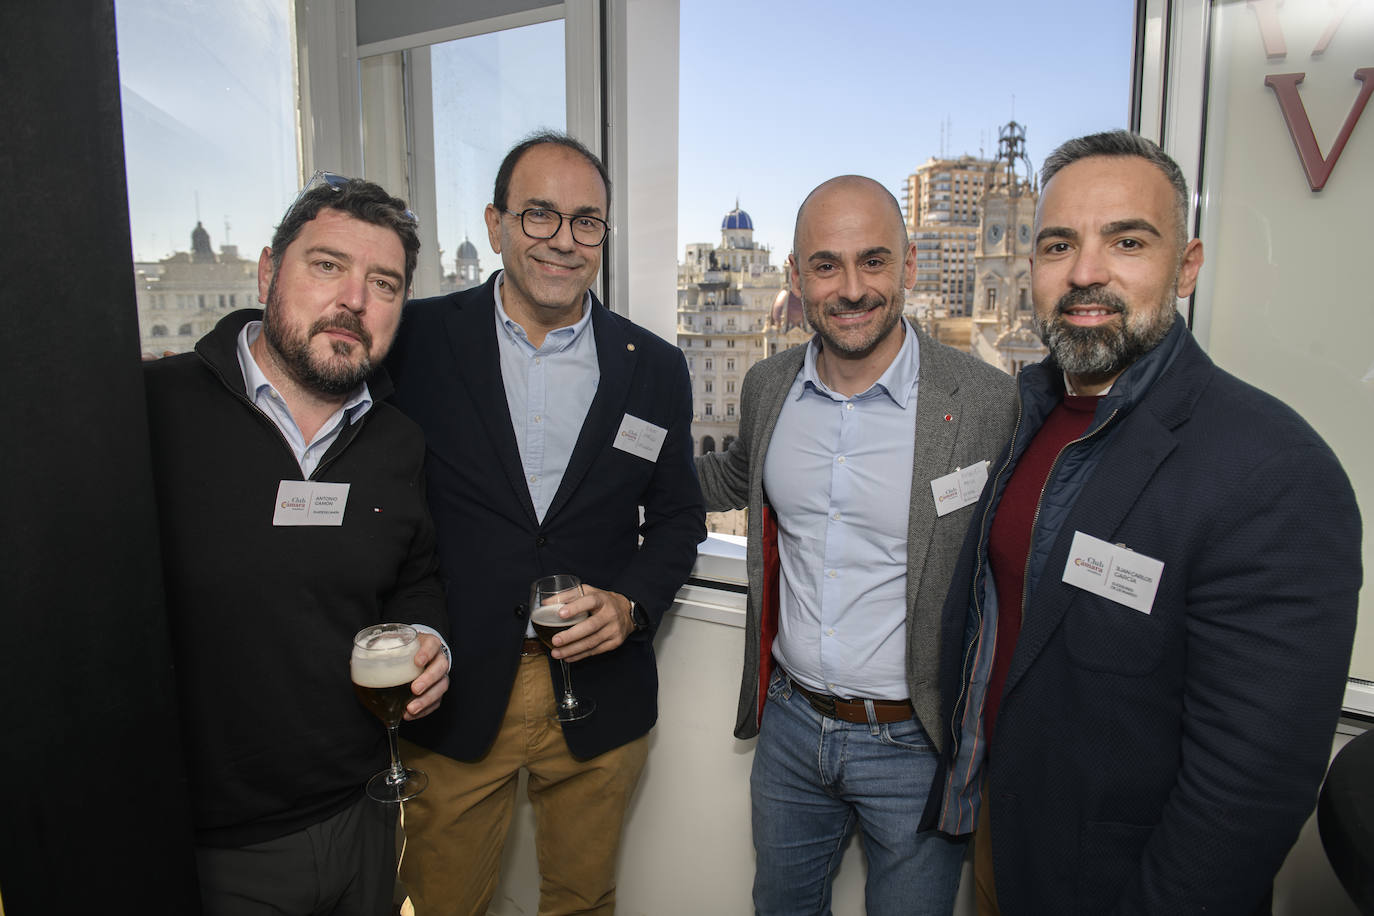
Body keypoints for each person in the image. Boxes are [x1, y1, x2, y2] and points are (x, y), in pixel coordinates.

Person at [927, 130, 1363, 915]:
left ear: (1187, 266)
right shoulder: (1025, 415)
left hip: (1124, 883)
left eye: (1127, 241)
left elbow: (1247, 792)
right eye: (1059, 245)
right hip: (1007, 838)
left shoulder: (1276, 472)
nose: (1086, 272)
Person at [385, 131, 706, 915]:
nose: (564, 241)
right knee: (439, 903)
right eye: (539, 215)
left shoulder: (654, 366)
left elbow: (677, 521)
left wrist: (630, 604)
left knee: (584, 901)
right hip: (454, 689)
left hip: (599, 697)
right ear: (495, 225)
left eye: (586, 221)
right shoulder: (416, 339)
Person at [696, 175, 1018, 915]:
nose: (851, 289)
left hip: (915, 744)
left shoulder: (983, 401)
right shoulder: (770, 384)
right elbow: (738, 474)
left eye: (873, 262)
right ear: (795, 276)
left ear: (908, 268)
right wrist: (619, 482)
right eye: (826, 265)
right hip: (789, 729)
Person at [143, 173, 451, 915]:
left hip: (366, 810)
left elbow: (415, 575)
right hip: (214, 843)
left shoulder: (398, 440)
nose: (354, 299)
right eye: (327, 266)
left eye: (384, 282)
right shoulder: (153, 413)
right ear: (266, 272)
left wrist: (431, 637)